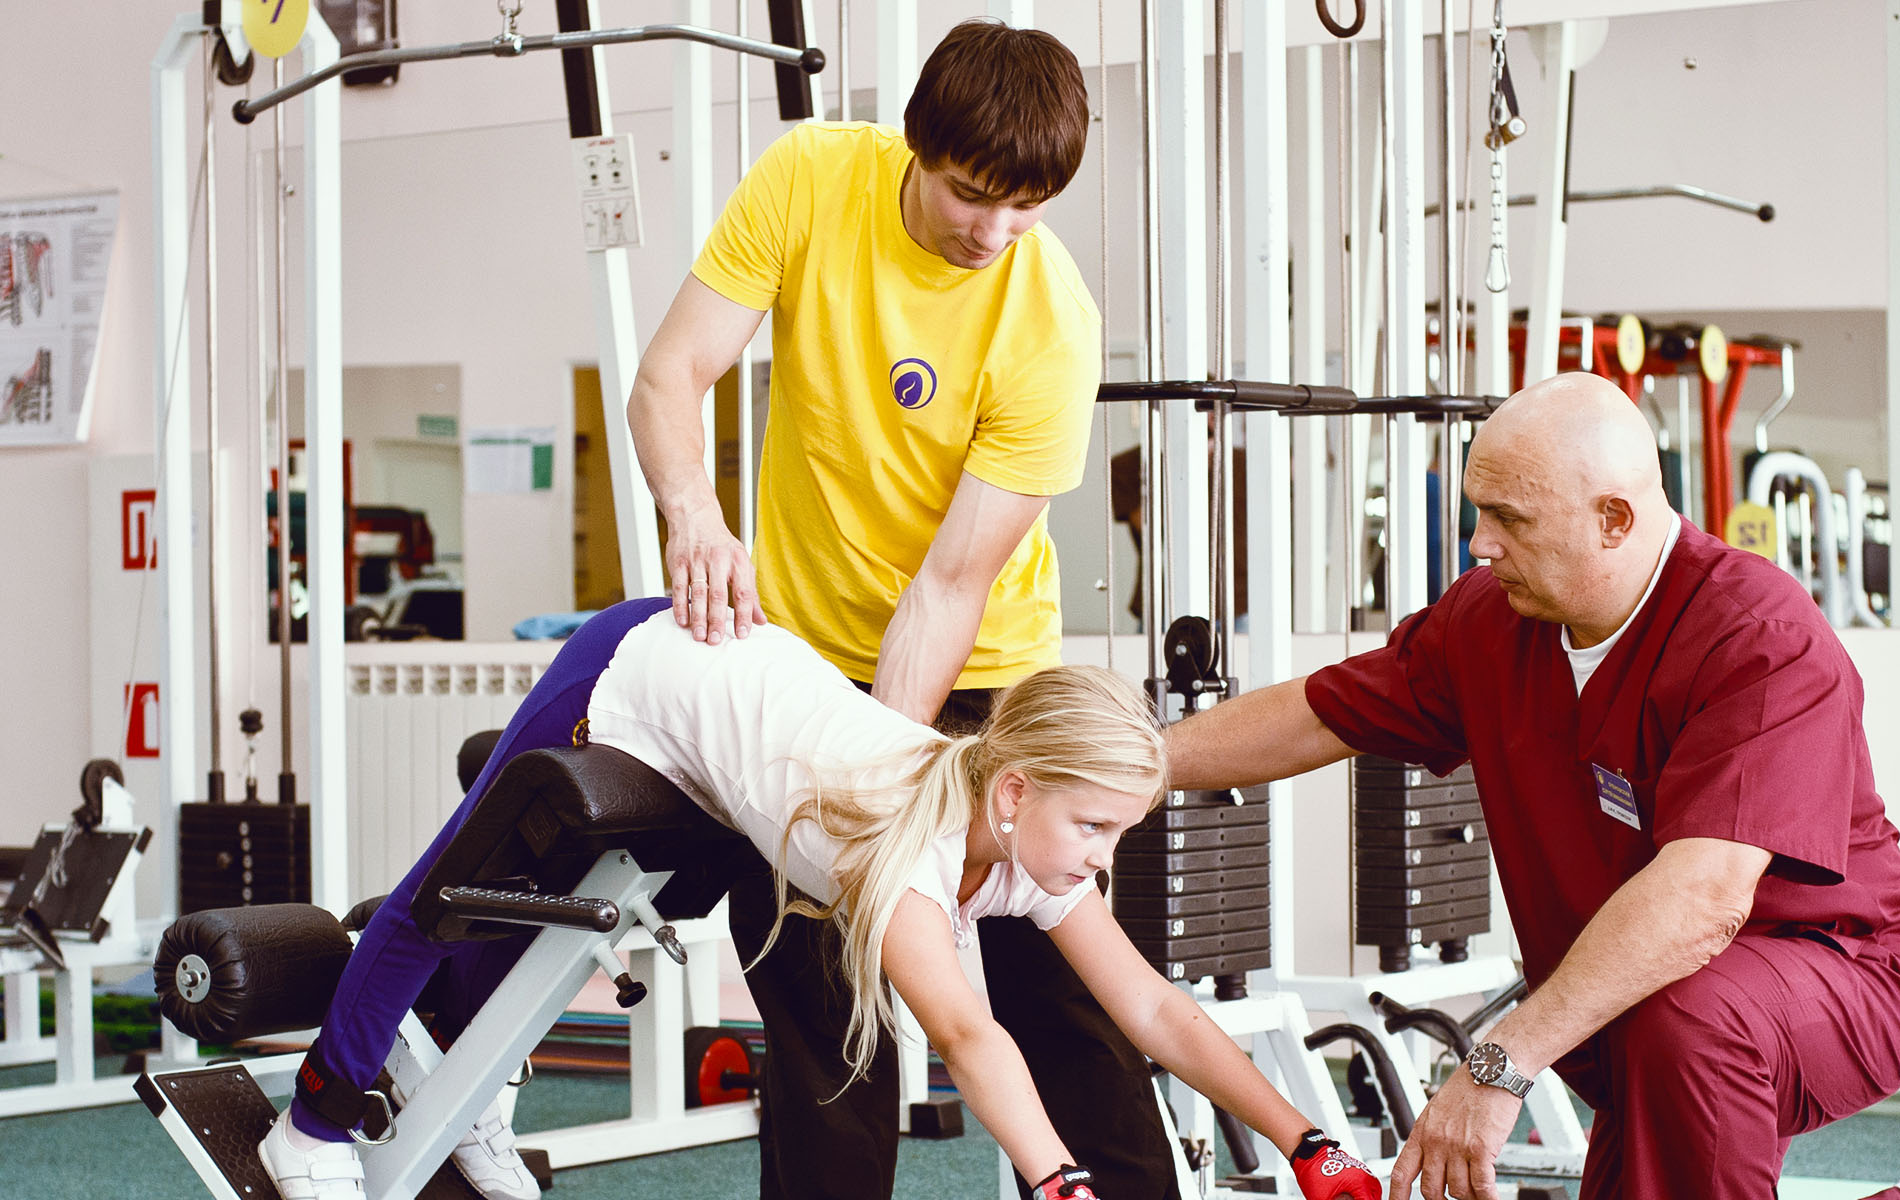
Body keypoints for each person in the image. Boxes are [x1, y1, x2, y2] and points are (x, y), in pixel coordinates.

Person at [255, 599, 1384, 1200]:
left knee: (546, 905)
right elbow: (965, 1031)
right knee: (455, 891)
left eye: (1119, 832)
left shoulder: (1030, 847)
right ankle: (313, 1119)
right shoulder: (896, 850)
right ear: (1017, 788)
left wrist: (1305, 1143)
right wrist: (1059, 1180)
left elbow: (1158, 1013)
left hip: (747, 691)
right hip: (638, 663)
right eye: (1092, 827)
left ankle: (459, 1091)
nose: (1099, 858)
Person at [624, 19, 1179, 1199]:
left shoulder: (1048, 320)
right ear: (914, 148)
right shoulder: (810, 180)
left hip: (984, 684)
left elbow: (948, 587)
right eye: (974, 195)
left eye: (1026, 208)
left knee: (1060, 1010)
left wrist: (883, 800)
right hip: (795, 675)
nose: (994, 233)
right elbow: (670, 374)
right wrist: (693, 513)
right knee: (825, 1013)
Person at [1165, 372, 1900, 1200]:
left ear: (1613, 520)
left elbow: (1702, 903)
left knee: (1686, 1019)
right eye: (1479, 511)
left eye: (1509, 519)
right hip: (1653, 1012)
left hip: (1844, 968)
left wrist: (1497, 1065)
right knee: (1660, 1036)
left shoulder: (1759, 638)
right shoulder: (1491, 621)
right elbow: (1322, 714)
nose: (1480, 544)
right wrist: (1143, 765)